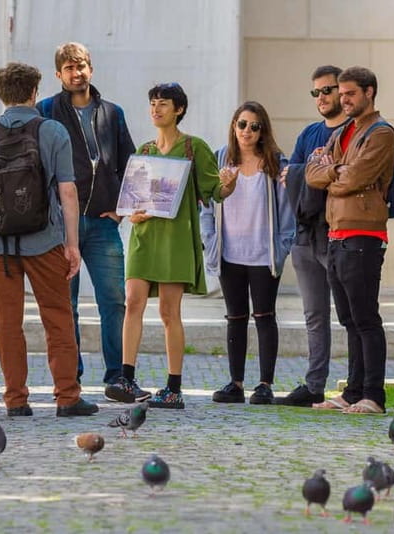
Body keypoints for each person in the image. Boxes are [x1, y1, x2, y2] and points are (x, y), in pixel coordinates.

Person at [0, 62, 99, 417]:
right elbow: (68, 193)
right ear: (34, 93)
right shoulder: (52, 131)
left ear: (1, 94)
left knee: (8, 324)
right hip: (45, 240)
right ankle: (67, 397)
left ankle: (16, 400)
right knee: (58, 318)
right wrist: (72, 245)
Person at [103, 83, 230, 409]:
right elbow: (132, 199)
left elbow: (213, 192)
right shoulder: (143, 151)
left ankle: (173, 387)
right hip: (144, 237)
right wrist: (132, 214)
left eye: (163, 104)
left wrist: (229, 185)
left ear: (179, 110)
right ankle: (126, 378)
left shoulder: (194, 148)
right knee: (132, 302)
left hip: (175, 240)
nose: (156, 109)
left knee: (168, 312)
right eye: (153, 104)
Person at [36, 42, 135, 386]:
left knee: (114, 301)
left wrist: (121, 210)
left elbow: (129, 165)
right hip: (63, 227)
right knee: (67, 304)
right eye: (68, 68)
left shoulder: (113, 113)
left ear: (91, 69)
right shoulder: (45, 110)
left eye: (81, 66)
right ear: (58, 74)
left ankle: (118, 376)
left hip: (103, 225)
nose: (76, 73)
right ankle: (70, 377)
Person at [306, 66, 394, 414]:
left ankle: (374, 394)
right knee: (347, 319)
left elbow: (355, 177)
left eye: (350, 94)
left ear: (369, 92)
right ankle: (353, 391)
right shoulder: (344, 132)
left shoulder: (381, 133)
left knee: (365, 318)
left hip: (364, 235)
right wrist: (335, 173)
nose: (343, 100)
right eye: (340, 94)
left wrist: (335, 174)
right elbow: (314, 173)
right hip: (336, 233)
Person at [202, 101, 295, 405]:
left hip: (263, 254)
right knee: (235, 317)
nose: (247, 131)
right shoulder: (220, 160)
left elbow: (287, 211)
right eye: (242, 124)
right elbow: (206, 203)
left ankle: (265, 384)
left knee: (265, 317)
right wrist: (211, 239)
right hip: (230, 253)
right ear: (234, 126)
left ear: (262, 130)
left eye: (254, 126)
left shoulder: (276, 164)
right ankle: (235, 383)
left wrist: (281, 248)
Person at [275, 65, 350, 407]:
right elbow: (290, 175)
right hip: (305, 236)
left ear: (343, 92)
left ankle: (358, 385)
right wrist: (309, 172)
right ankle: (314, 384)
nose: (322, 97)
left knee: (352, 314)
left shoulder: (356, 131)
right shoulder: (309, 134)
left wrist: (309, 173)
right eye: (316, 92)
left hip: (341, 234)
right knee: (314, 315)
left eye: (328, 90)